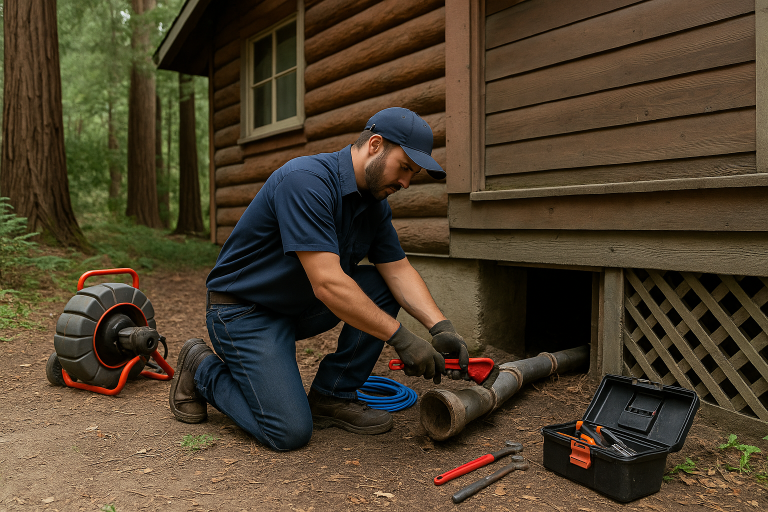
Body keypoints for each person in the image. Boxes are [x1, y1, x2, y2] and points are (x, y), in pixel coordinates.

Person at [168, 107, 469, 451]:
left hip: (296, 306)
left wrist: (440, 327)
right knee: (289, 432)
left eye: (412, 174)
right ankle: (200, 367)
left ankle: (332, 395)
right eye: (404, 168)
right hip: (243, 313)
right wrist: (401, 338)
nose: (405, 183)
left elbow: (397, 270)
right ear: (374, 145)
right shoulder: (306, 180)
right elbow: (327, 283)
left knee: (380, 283)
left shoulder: (374, 204)